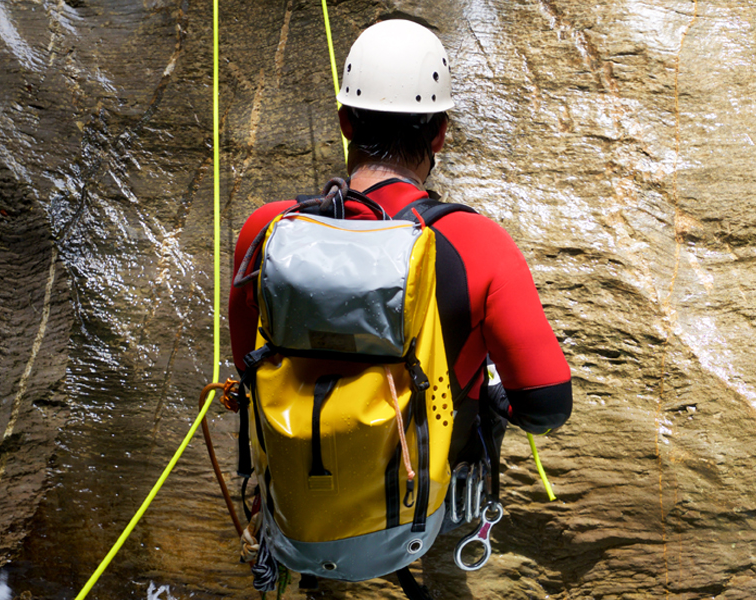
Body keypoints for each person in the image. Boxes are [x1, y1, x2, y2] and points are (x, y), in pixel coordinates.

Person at [227, 17, 571, 449]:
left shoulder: (269, 229)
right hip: (423, 512)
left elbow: (248, 365)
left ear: (345, 123)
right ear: (440, 134)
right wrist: (492, 398)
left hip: (293, 509)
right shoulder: (478, 244)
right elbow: (546, 407)